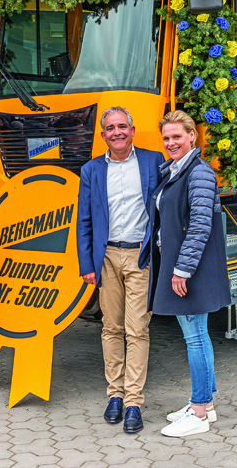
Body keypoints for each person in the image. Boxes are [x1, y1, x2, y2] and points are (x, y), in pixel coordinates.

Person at [77, 106, 164, 433]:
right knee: (111, 328)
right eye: (110, 128)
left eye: (122, 127)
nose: (117, 132)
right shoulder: (91, 170)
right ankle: (114, 395)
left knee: (137, 329)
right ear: (103, 135)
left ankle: (132, 402)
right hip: (108, 257)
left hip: (140, 257)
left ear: (132, 129)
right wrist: (87, 264)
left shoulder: (153, 161)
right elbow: (84, 220)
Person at [147, 110, 231, 437]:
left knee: (194, 337)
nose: (171, 143)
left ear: (192, 136)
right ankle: (206, 405)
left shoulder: (199, 173)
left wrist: (182, 270)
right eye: (166, 138)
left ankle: (197, 413)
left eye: (177, 137)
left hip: (189, 268)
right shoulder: (176, 170)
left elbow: (199, 225)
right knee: (199, 335)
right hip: (180, 262)